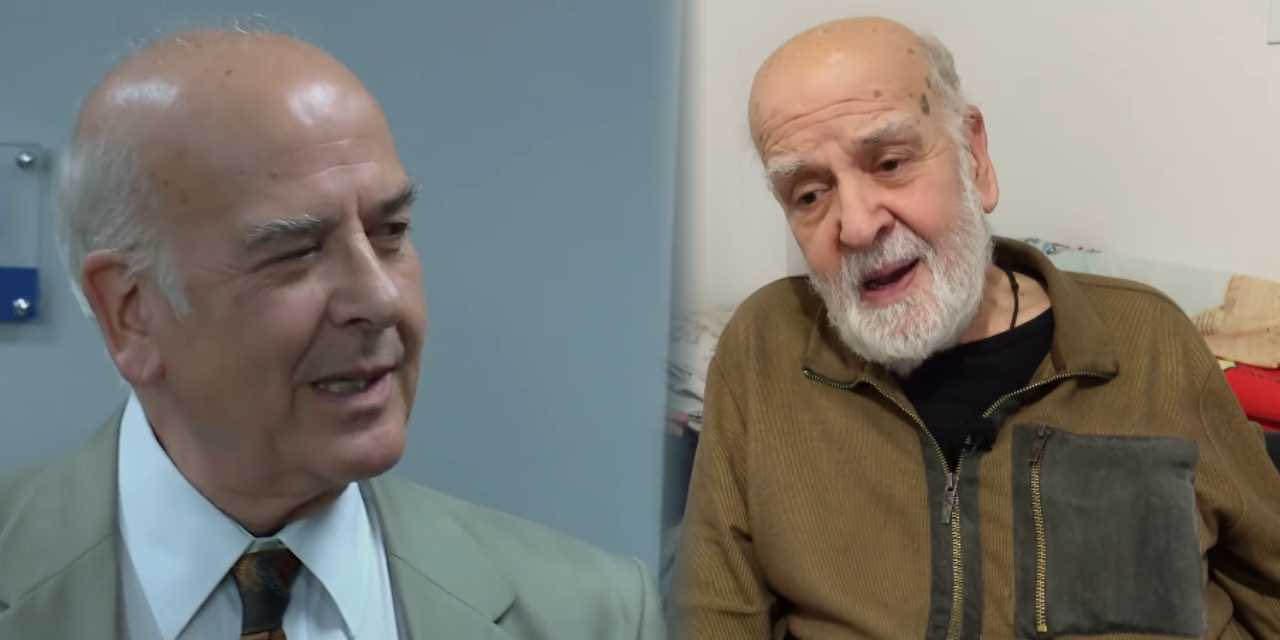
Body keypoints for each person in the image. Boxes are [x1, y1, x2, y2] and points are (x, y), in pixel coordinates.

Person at [0, 29, 662, 639]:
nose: (380, 298)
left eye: (390, 233)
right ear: (131, 311)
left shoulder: (596, 615)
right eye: (297, 252)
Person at [674, 16, 1280, 639]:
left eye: (889, 162)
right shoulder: (765, 350)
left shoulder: (1147, 340)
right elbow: (713, 616)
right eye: (808, 195)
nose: (856, 225)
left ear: (974, 156)